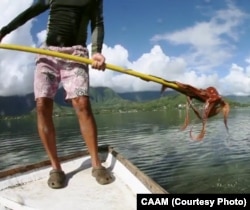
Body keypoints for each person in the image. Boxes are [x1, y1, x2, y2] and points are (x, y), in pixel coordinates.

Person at [0, 0, 113, 189]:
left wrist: (97, 52)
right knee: (42, 104)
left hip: (75, 53)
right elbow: (30, 12)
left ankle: (96, 164)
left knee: (82, 103)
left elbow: (97, 23)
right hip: (48, 52)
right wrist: (4, 31)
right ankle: (56, 168)